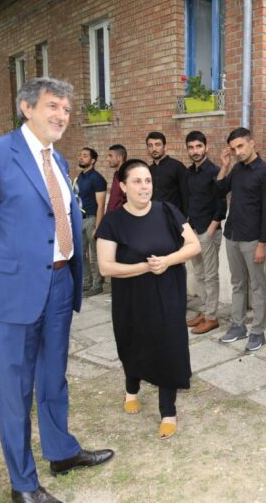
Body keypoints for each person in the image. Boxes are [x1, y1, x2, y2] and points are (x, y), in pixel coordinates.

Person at [0, 77, 113, 503]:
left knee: (52, 377)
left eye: (66, 108)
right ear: (27, 108)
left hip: (59, 283)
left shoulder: (59, 162)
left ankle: (61, 452)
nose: (62, 115)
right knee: (15, 388)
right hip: (11, 294)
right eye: (53, 106)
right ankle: (22, 484)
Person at [96, 159, 200, 439]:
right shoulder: (112, 221)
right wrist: (145, 267)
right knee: (134, 343)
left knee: (169, 346)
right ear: (123, 186)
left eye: (148, 181)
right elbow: (105, 267)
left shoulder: (168, 211)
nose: (144, 187)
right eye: (137, 181)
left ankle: (168, 411)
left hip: (168, 294)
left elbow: (194, 245)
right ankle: (131, 388)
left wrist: (166, 261)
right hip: (132, 299)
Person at [215, 127, 266, 351]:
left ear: (252, 143)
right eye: (234, 149)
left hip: (253, 240)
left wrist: (262, 243)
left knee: (258, 287)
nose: (238, 152)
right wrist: (225, 165)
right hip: (232, 235)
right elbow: (220, 189)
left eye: (240, 146)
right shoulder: (238, 169)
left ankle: (258, 332)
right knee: (238, 284)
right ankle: (238, 326)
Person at [185, 131, 226, 334]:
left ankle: (211, 317)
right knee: (199, 274)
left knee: (210, 276)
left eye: (198, 147)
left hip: (209, 231)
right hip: (193, 230)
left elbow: (221, 202)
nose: (195, 151)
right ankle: (203, 311)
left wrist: (212, 228)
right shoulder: (189, 173)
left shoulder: (215, 171)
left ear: (206, 148)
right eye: (191, 148)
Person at [74, 147, 107, 296]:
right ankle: (86, 283)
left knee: (94, 254)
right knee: (80, 254)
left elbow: (101, 205)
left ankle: (97, 284)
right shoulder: (79, 177)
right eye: (80, 155)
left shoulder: (97, 179)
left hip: (92, 219)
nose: (81, 158)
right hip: (79, 220)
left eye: (85, 156)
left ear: (92, 160)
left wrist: (98, 227)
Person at [146, 131, 189, 214]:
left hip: (173, 218)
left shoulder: (177, 167)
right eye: (150, 145)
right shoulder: (148, 170)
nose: (154, 149)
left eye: (157, 144)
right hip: (153, 216)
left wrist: (185, 218)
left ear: (165, 147)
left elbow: (186, 195)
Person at [106, 144, 127, 213]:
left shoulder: (126, 175)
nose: (108, 159)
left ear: (119, 158)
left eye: (110, 156)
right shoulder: (116, 174)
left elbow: (127, 199)